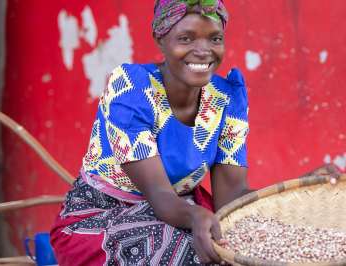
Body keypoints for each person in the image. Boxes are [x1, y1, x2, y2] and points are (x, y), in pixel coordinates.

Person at [50, 0, 251, 265]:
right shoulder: (131, 91)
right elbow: (160, 196)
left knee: (241, 248)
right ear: (160, 39)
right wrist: (196, 217)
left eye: (215, 39)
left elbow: (231, 198)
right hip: (102, 219)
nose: (203, 51)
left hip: (184, 215)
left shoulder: (226, 98)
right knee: (188, 253)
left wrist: (302, 188)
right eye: (186, 38)